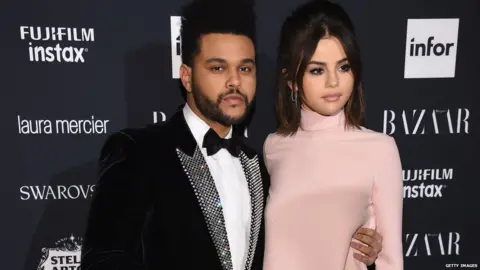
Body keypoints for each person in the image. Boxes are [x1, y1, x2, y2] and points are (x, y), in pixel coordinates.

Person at [80, 0, 385, 269]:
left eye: (245, 69)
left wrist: (358, 248)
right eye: (217, 68)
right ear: (187, 76)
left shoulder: (260, 163)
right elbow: (104, 261)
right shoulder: (138, 151)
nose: (234, 82)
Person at [262, 1, 404, 270]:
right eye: (317, 70)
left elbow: (391, 261)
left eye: (343, 67)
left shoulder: (380, 150)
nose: (333, 82)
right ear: (291, 79)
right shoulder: (273, 147)